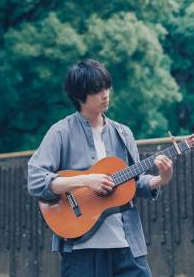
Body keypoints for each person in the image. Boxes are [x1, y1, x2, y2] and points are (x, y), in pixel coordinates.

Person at [28, 59, 173, 277]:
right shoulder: (60, 132)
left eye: (107, 87)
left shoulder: (123, 133)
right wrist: (86, 181)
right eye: (97, 90)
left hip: (127, 245)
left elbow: (134, 182)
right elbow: (36, 180)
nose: (105, 95)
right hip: (81, 249)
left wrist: (161, 179)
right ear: (79, 96)